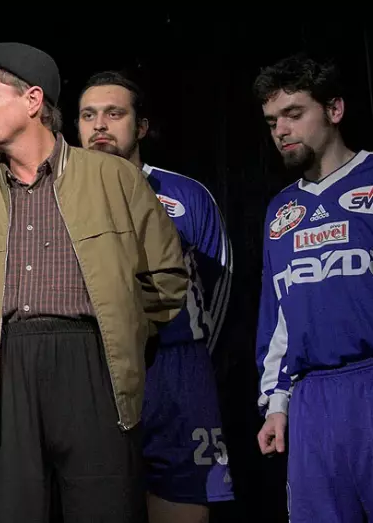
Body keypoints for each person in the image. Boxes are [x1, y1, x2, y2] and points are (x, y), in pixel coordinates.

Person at [0, 42, 189, 523]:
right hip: (1, 375)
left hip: (94, 369)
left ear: (33, 100)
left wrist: (120, 336)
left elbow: (165, 280)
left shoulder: (115, 179)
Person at [254, 53, 373, 523]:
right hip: (312, 399)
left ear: (334, 110)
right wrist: (276, 404)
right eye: (272, 121)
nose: (281, 130)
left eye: (293, 114)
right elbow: (277, 316)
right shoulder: (280, 211)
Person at [77, 70, 234, 523]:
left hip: (178, 372)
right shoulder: (57, 201)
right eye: (88, 115)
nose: (100, 125)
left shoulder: (186, 195)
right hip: (94, 375)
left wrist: (191, 356)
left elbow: (220, 291)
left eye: (114, 113)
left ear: (141, 126)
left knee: (182, 507)